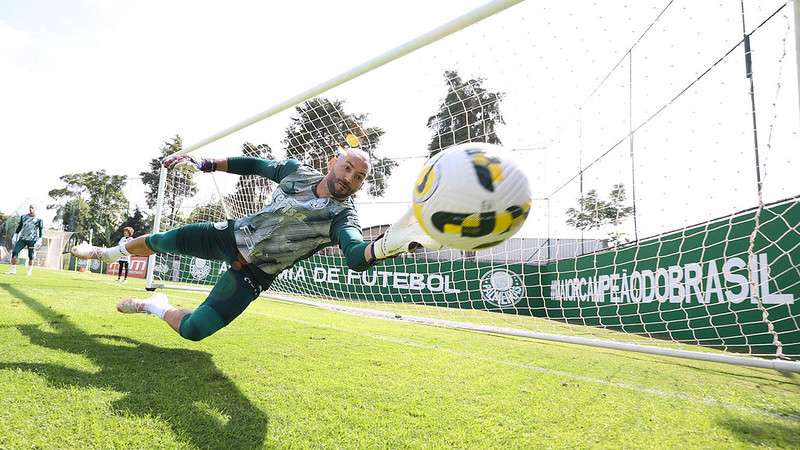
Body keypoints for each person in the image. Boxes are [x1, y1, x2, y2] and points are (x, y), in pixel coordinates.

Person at [72, 149, 419, 341]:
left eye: (359, 177)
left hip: (254, 272)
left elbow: (357, 256)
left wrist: (390, 245)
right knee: (164, 239)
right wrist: (206, 163)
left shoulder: (343, 217)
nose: (349, 179)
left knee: (195, 331)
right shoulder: (296, 172)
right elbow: (253, 165)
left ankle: (154, 306)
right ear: (333, 163)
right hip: (231, 235)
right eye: (347, 168)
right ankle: (105, 253)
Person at [6, 204, 43, 276]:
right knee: (15, 252)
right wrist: (15, 235)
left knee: (31, 256)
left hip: (32, 240)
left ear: (36, 209)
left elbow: (41, 230)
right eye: (30, 208)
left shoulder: (39, 219)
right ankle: (13, 270)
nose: (31, 209)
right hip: (22, 239)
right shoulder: (23, 217)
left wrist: (40, 239)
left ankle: (29, 271)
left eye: (32, 208)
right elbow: (19, 227)